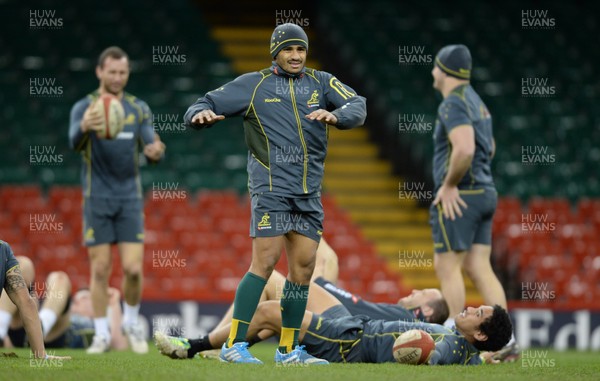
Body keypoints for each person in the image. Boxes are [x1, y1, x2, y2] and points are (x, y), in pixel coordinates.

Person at [183, 23, 366, 365]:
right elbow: (205, 101)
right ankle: (233, 345)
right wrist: (199, 115)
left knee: (303, 271)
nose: (296, 56)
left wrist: (338, 115)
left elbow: (358, 104)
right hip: (272, 189)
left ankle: (287, 351)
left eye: (301, 50)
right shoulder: (254, 84)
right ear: (275, 53)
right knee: (265, 263)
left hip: (308, 193)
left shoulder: (322, 82)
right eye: (288, 50)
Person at [154, 239, 449, 360]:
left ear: (424, 311)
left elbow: (450, 339)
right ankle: (221, 345)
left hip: (341, 322)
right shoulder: (394, 313)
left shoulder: (409, 325)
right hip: (337, 310)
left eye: (420, 294)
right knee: (277, 297)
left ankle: (209, 345)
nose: (412, 292)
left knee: (273, 304)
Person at [69, 46, 166, 354]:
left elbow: (153, 145)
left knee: (133, 269)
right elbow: (72, 142)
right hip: (96, 198)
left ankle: (132, 322)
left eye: (122, 72)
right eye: (111, 71)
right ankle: (100, 333)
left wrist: (156, 151)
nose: (117, 77)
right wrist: (86, 125)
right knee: (100, 270)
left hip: (129, 199)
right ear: (100, 72)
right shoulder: (85, 107)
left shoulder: (139, 108)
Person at [429, 44, 518, 360]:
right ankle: (504, 344)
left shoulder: (452, 103)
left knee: (447, 266)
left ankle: (456, 343)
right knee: (480, 266)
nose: (432, 71)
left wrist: (451, 183)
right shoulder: (478, 103)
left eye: (436, 66)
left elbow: (465, 149)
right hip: (485, 192)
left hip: (462, 196)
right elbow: (489, 147)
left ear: (445, 70)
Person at [156, 299, 512, 365]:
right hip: (355, 330)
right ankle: (214, 348)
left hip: (349, 341)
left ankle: (192, 346)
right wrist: (489, 357)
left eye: (478, 313)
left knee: (269, 312)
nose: (470, 308)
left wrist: (417, 354)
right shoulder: (467, 351)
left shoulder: (448, 346)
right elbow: (469, 359)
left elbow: (433, 358)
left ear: (479, 333)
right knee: (271, 321)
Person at [0, 256, 127, 350]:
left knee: (61, 278)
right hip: (29, 325)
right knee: (23, 265)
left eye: (85, 298)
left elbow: (119, 345)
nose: (78, 300)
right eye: (78, 298)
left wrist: (114, 303)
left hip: (58, 333)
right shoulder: (62, 307)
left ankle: (40, 328)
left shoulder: (98, 328)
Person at [0, 241, 70, 361]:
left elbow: (26, 301)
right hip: (18, 320)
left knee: (60, 278)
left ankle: (42, 325)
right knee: (24, 264)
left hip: (44, 324)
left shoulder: (4, 249)